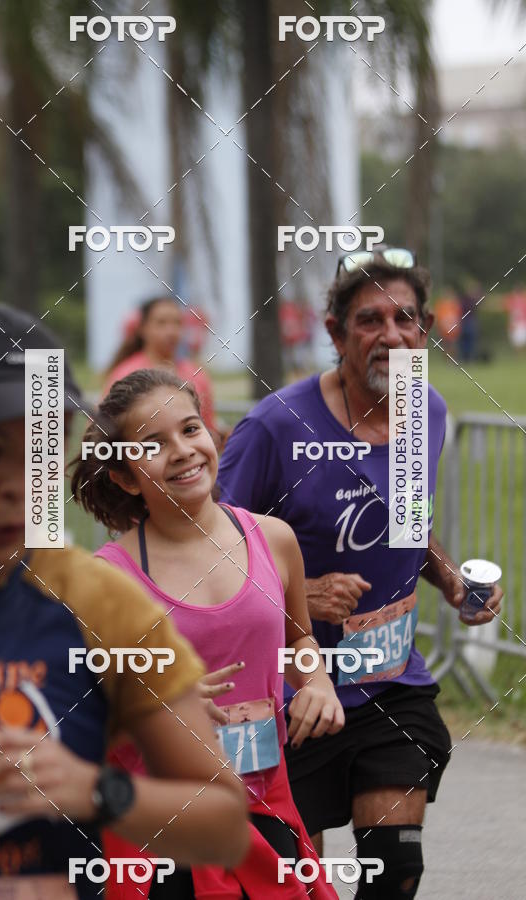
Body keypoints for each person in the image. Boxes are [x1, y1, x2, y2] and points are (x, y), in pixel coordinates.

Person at [0, 303, 249, 899]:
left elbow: (225, 827)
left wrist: (98, 790)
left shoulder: (100, 602)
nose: (20, 483)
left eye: (41, 449)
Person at [217, 247, 503, 899]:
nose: (391, 335)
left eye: (405, 318)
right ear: (335, 333)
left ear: (424, 331)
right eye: (370, 320)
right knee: (293, 885)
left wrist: (452, 580)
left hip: (389, 682)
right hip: (290, 691)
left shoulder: (424, 411)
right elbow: (210, 543)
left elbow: (406, 523)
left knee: (394, 870)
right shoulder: (274, 426)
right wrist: (301, 593)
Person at [71, 368, 343, 899]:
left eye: (190, 429)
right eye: (152, 443)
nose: (181, 450)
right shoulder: (106, 579)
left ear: (213, 437)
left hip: (265, 807)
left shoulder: (274, 539)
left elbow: (299, 643)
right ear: (125, 477)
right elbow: (81, 720)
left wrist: (317, 684)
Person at [103, 296, 218, 437]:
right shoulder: (125, 374)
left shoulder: (197, 374)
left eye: (177, 323)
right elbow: (103, 429)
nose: (171, 331)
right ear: (142, 328)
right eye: (161, 323)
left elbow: (208, 429)